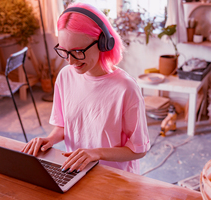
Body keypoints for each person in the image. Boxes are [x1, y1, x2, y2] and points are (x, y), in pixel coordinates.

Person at [21, 2, 150, 175]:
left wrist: (96, 153)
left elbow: (139, 149)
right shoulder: (65, 77)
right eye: (64, 51)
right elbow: (65, 125)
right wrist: (50, 140)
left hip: (115, 178)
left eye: (78, 51)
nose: (71, 61)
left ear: (103, 43)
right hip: (75, 172)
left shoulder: (126, 88)